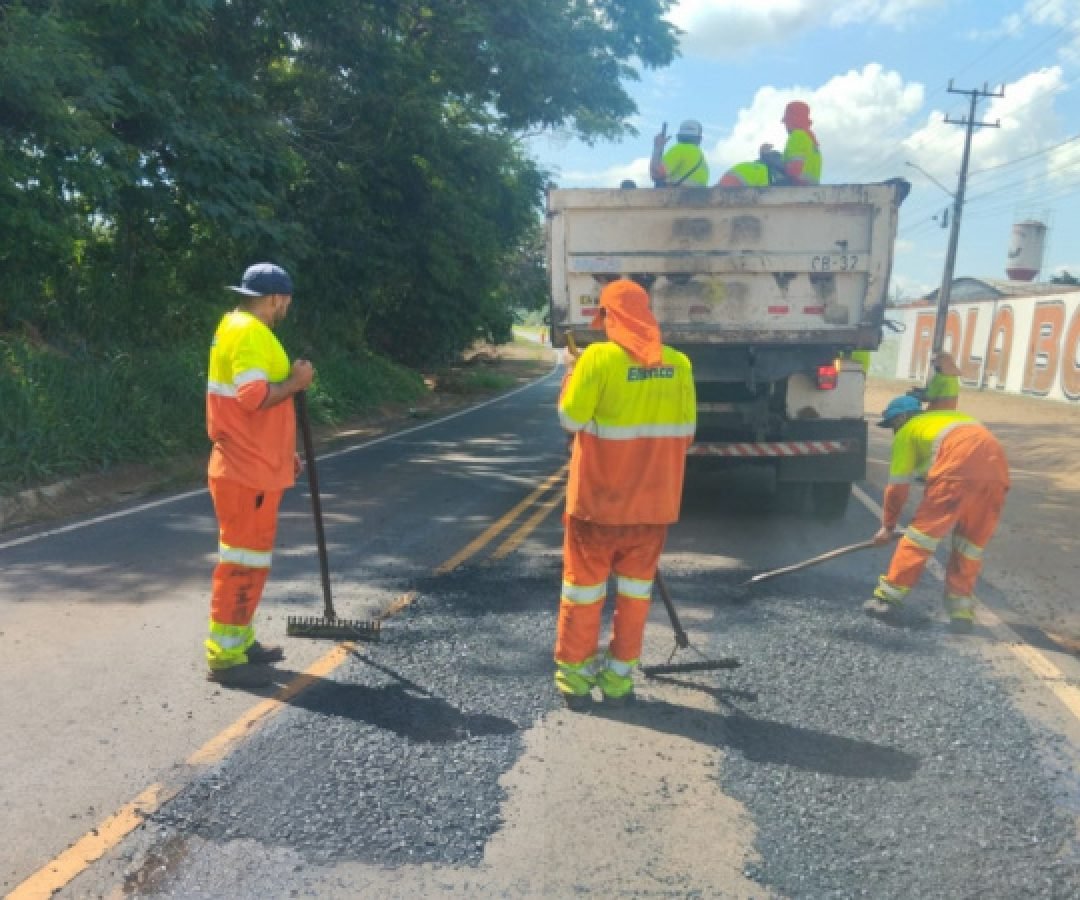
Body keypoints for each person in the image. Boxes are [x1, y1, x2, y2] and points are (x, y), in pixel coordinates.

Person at [554, 278, 697, 707]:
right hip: (653, 509)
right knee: (635, 596)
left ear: (607, 317)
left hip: (597, 506)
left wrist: (572, 372)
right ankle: (618, 681)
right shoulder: (680, 364)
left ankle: (576, 680)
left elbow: (570, 419)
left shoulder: (597, 359)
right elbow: (687, 434)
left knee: (583, 593)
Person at [205, 262, 315, 687]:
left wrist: (283, 454)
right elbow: (254, 397)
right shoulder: (251, 333)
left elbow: (247, 409)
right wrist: (297, 382)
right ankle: (225, 659)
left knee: (250, 562)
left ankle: (241, 641)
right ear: (275, 299)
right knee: (242, 564)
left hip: (252, 463)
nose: (286, 306)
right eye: (285, 300)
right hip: (246, 470)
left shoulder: (234, 326)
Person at [864, 395, 1010, 632]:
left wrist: (888, 526)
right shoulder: (952, 419)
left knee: (918, 540)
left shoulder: (908, 430)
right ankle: (961, 614)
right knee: (969, 548)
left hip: (955, 477)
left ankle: (886, 600)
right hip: (996, 478)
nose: (894, 431)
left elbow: (897, 487)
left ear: (902, 418)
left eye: (892, 425)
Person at [758, 100, 822, 186]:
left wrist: (769, 158)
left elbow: (794, 170)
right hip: (810, 189)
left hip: (795, 187)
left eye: (787, 121)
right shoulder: (811, 140)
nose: (785, 125)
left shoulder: (798, 135)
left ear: (792, 120)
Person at [650, 119, 710, 187]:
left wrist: (657, 148)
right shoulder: (701, 158)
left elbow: (657, 174)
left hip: (676, 193)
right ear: (699, 139)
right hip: (697, 194)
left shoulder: (680, 149)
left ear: (678, 136)